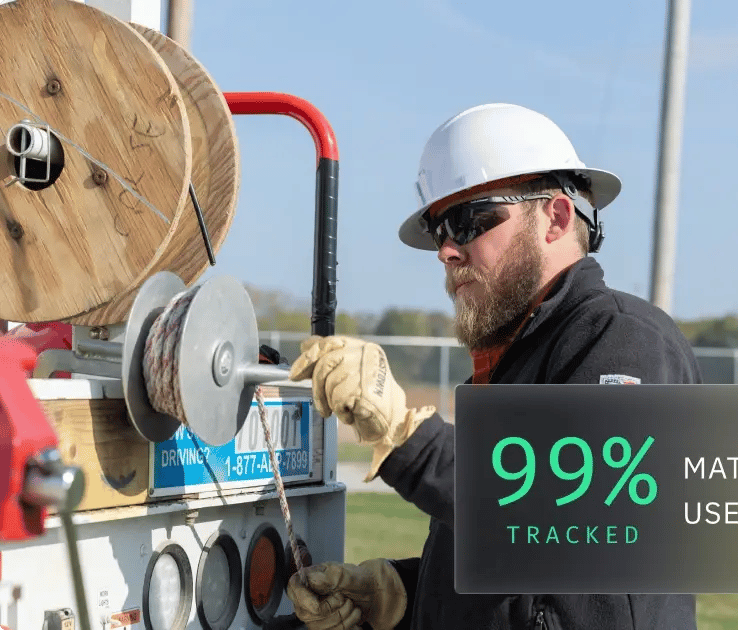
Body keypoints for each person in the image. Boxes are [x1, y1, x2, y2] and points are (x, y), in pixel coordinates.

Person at [285, 103, 702, 630]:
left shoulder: (624, 342)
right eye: (439, 231)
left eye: (468, 221)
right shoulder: (511, 362)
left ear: (555, 217)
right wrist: (400, 595)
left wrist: (401, 431)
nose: (446, 252)